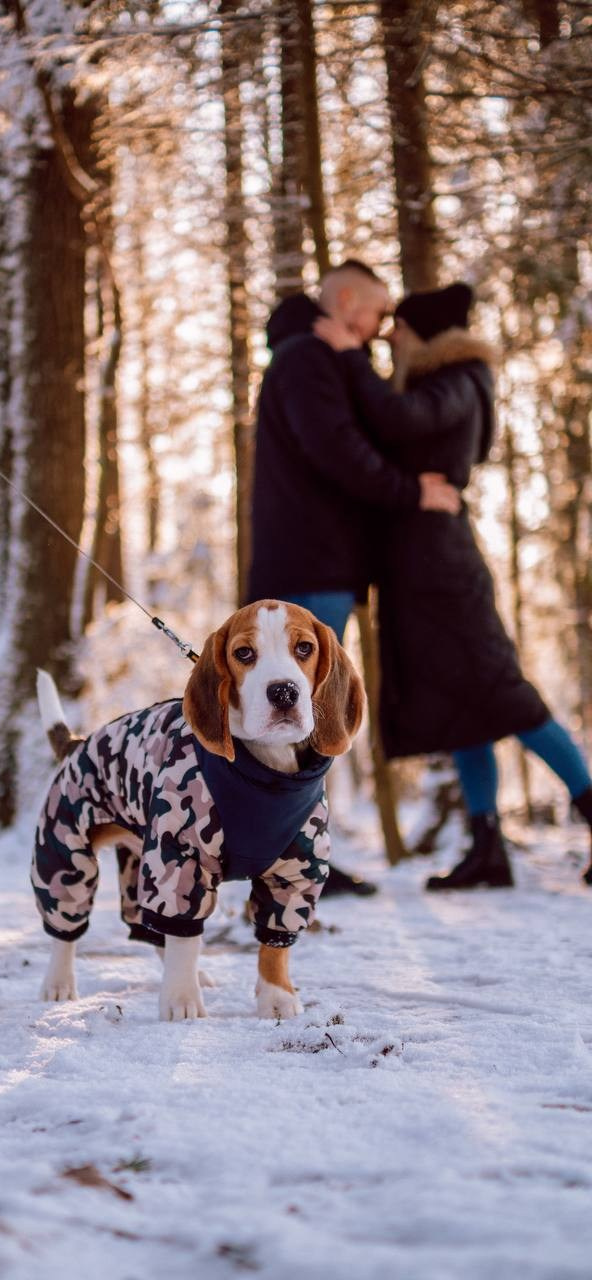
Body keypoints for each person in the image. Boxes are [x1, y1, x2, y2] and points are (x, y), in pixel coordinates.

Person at [314, 282, 592, 889]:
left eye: (401, 331)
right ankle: (487, 847)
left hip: (444, 570)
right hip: (424, 569)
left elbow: (398, 419)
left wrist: (347, 356)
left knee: (503, 692)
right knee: (465, 709)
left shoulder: (459, 378)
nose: (391, 340)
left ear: (427, 335)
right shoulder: (451, 381)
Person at [247, 260, 462, 895]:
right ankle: (291, 850)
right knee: (302, 709)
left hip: (315, 560)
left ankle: (294, 845)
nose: (377, 327)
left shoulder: (313, 358)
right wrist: (411, 492)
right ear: (344, 301)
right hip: (309, 563)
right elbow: (338, 449)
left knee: (305, 708)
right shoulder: (308, 361)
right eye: (374, 312)